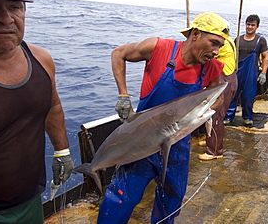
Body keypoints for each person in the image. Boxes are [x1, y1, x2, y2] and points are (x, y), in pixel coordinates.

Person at [97, 12, 228, 224]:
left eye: (220, 46)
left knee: (171, 201)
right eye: (214, 43)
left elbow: (218, 96)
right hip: (142, 140)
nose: (216, 51)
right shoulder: (159, 48)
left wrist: (203, 113)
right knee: (121, 197)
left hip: (178, 143)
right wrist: (123, 94)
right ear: (195, 34)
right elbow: (118, 53)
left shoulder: (211, 67)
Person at [0, 0, 73, 223]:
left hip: (31, 201)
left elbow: (53, 106)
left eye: (14, 6)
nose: (5, 18)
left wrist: (62, 150)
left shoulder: (41, 59)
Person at [198, 31, 238, 160]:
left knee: (215, 115)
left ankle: (215, 151)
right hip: (229, 78)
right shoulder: (231, 40)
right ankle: (211, 140)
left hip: (224, 80)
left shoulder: (223, 44)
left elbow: (207, 56)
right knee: (214, 114)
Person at [224, 14, 268, 125]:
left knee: (248, 96)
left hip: (251, 73)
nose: (249, 27)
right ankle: (229, 117)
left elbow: (265, 57)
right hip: (237, 71)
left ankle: (248, 117)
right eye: (248, 24)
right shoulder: (238, 39)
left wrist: (263, 73)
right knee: (232, 94)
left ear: (257, 26)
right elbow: (231, 56)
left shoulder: (261, 40)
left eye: (252, 25)